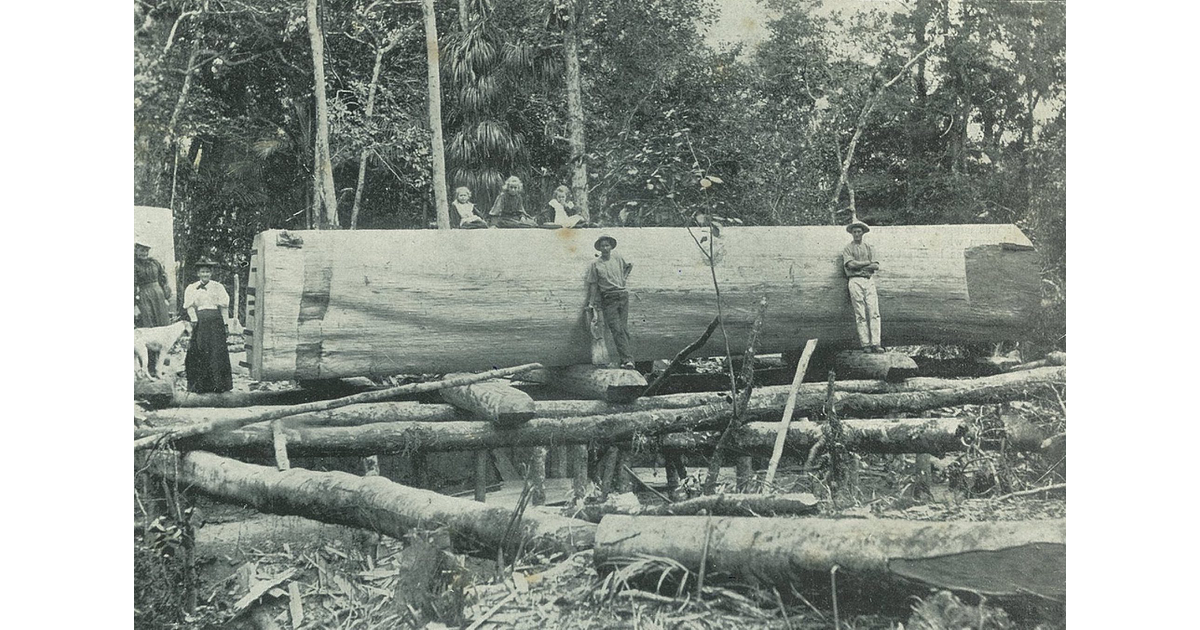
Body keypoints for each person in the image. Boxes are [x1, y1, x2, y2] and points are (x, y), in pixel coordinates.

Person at [183, 257, 233, 393]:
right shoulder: (192, 288)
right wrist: (194, 319)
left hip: (215, 322)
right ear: (198, 273)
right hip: (201, 322)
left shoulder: (218, 287)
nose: (205, 274)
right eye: (202, 272)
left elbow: (224, 307)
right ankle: (200, 386)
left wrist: (226, 324)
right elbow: (189, 307)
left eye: (207, 272)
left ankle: (219, 385)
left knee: (216, 352)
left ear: (211, 273)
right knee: (200, 350)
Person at [586, 235, 635, 369]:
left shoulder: (618, 258)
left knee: (623, 329)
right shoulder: (596, 264)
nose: (605, 248)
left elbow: (629, 266)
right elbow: (594, 284)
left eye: (607, 245)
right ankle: (627, 360)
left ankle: (627, 360)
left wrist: (623, 278)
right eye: (603, 246)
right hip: (609, 298)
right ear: (599, 248)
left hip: (623, 295)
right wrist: (591, 303)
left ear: (611, 247)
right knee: (616, 329)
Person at [841, 220, 884, 353]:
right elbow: (850, 265)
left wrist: (860, 266)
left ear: (863, 233)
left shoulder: (869, 247)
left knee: (874, 312)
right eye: (854, 232)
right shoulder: (848, 248)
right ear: (852, 233)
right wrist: (866, 263)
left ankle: (876, 343)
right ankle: (865, 344)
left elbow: (876, 265)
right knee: (860, 313)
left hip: (868, 280)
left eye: (859, 232)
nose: (857, 234)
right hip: (855, 281)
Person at [135, 242, 172, 328]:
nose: (144, 253)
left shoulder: (154, 263)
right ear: (136, 251)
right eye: (141, 250)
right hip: (144, 295)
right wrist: (135, 304)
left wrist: (166, 297)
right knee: (149, 319)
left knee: (162, 320)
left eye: (146, 251)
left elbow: (163, 279)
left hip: (158, 295)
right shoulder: (134, 265)